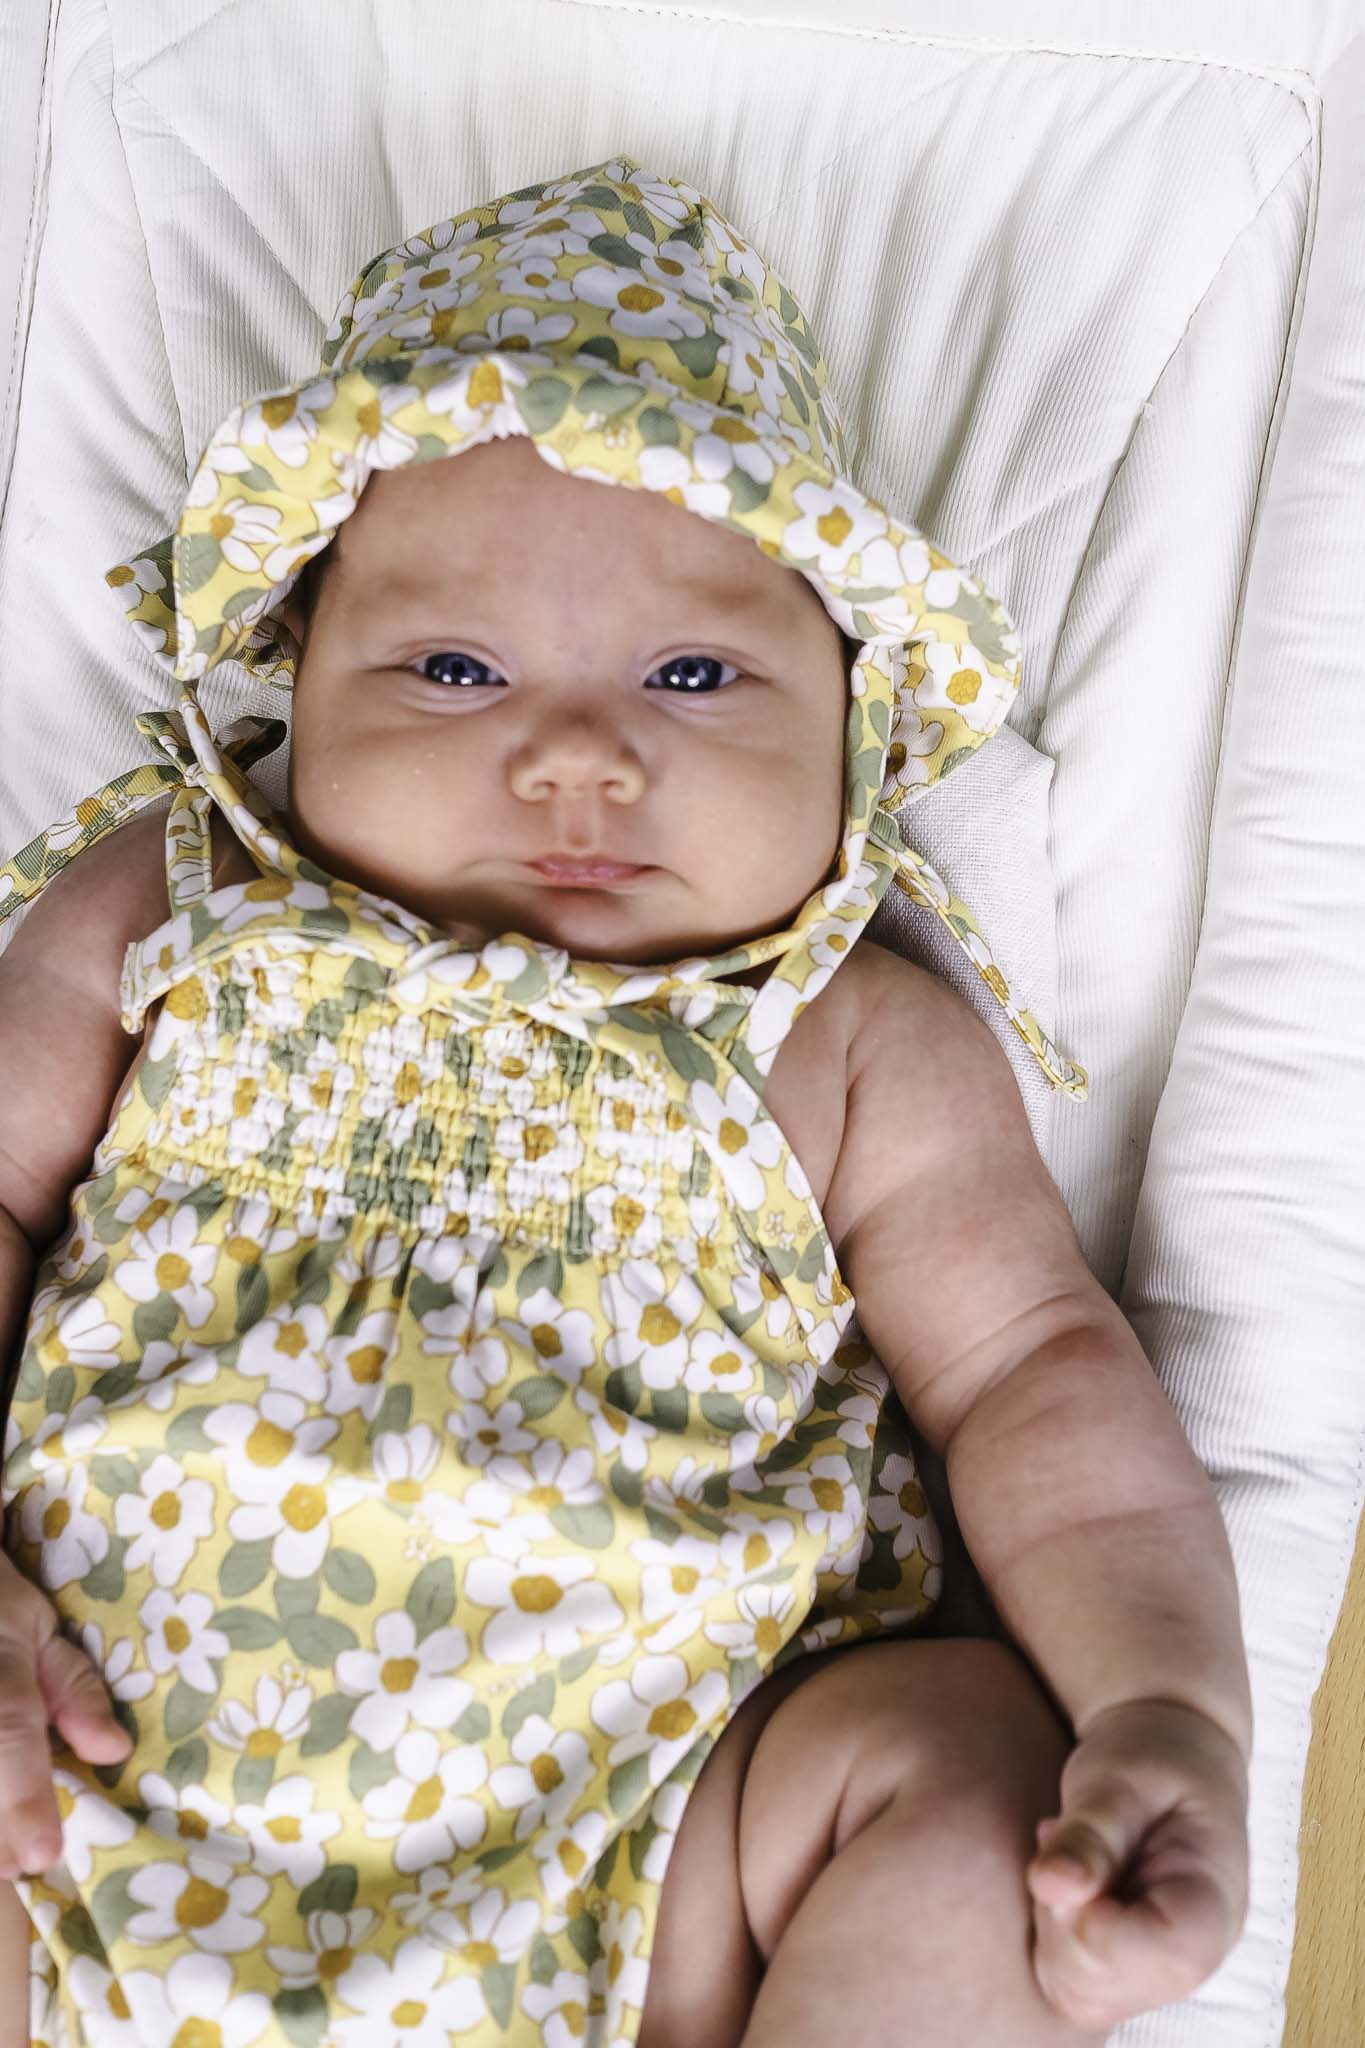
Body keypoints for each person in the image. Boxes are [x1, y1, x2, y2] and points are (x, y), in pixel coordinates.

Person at [0, 156, 1250, 2047]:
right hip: (86, 1800)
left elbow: (1028, 1376)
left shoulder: (846, 1040)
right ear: (290, 687)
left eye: (691, 671)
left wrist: (1163, 1705)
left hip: (661, 1837)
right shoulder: (172, 909)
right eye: (453, 667)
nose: (578, 753)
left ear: (852, 727)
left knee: (964, 1770)